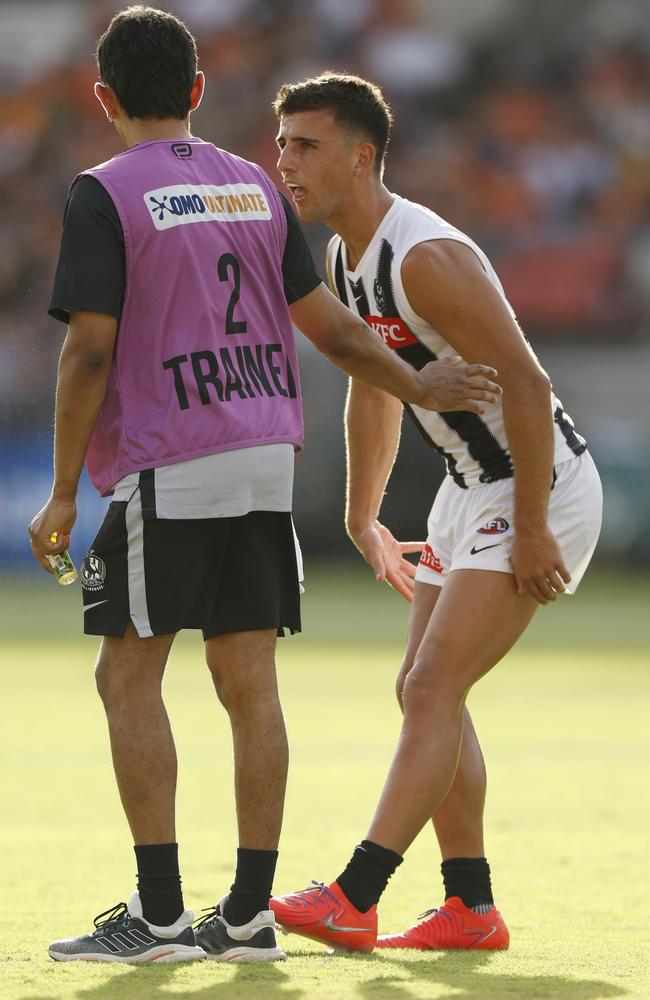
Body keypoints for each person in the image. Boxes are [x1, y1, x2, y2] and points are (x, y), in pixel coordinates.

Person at [27, 11, 499, 966]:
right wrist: (418, 382)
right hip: (263, 454)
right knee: (249, 684)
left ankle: (160, 915)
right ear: (198, 93)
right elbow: (332, 330)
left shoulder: (104, 193)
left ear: (105, 97)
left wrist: (65, 492)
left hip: (171, 454)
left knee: (127, 673)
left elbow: (86, 355)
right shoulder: (253, 186)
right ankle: (246, 915)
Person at [270, 72, 603, 953]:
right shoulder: (348, 256)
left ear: (360, 155)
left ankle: (356, 893)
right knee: (423, 692)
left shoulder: (423, 255)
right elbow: (374, 391)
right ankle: (470, 906)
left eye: (303, 146)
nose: (284, 163)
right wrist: (362, 516)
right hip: (471, 492)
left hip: (537, 485)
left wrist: (532, 523)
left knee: (429, 687)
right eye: (281, 145)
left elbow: (527, 386)